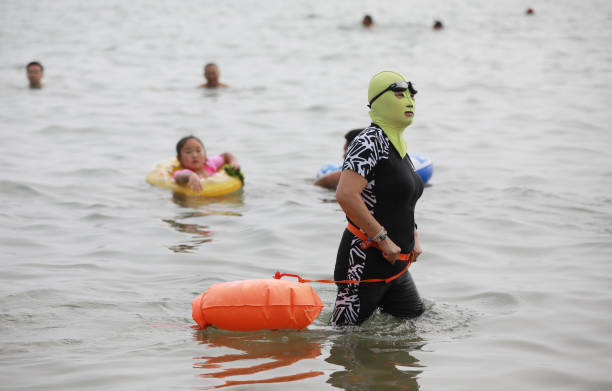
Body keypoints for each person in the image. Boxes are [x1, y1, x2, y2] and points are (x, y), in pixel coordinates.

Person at [330, 71, 424, 326]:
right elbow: (345, 195)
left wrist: (413, 235)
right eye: (399, 94)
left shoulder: (397, 145)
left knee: (414, 328)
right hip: (363, 265)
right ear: (379, 101)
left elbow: (399, 200)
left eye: (412, 95)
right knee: (342, 341)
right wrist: (382, 239)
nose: (409, 101)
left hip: (395, 268)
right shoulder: (368, 141)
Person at [173, 135, 239, 192]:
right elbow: (179, 177)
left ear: (205, 154)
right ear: (179, 158)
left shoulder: (210, 163)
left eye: (198, 151)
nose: (194, 155)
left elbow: (226, 155)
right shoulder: (184, 172)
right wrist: (191, 176)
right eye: (188, 152)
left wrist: (233, 162)